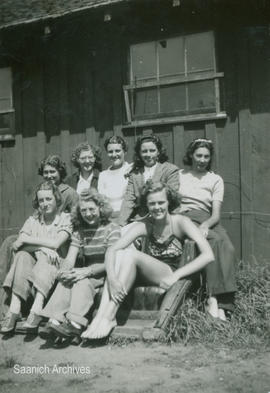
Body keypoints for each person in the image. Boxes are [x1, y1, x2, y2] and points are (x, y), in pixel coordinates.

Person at [81, 181, 214, 340]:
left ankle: (109, 316)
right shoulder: (144, 225)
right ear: (146, 205)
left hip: (169, 273)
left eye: (161, 202)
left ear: (169, 202)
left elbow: (208, 255)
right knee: (121, 253)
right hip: (150, 273)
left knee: (129, 254)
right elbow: (111, 250)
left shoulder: (180, 222)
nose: (157, 207)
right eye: (152, 204)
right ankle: (100, 317)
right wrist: (113, 279)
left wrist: (176, 275)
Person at [40, 189, 121, 339]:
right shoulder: (80, 231)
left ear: (101, 208)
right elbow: (70, 258)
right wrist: (65, 271)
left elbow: (112, 262)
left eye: (92, 209)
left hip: (105, 272)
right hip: (88, 272)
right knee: (66, 280)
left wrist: (86, 271)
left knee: (81, 281)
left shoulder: (112, 229)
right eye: (83, 210)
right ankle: (54, 321)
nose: (88, 214)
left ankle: (76, 324)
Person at [0, 181, 72, 334]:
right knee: (22, 255)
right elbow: (18, 245)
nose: (45, 204)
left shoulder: (66, 218)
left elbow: (56, 243)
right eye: (41, 200)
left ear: (56, 199)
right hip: (33, 273)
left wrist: (29, 241)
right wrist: (43, 248)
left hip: (56, 273)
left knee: (49, 258)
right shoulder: (33, 220)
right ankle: (14, 308)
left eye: (48, 199)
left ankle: (37, 309)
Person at [178, 138, 237, 321]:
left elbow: (216, 214)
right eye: (198, 155)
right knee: (214, 241)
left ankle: (223, 306)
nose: (202, 160)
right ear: (191, 155)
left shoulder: (215, 179)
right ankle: (212, 300)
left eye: (206, 156)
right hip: (186, 217)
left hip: (207, 219)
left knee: (228, 248)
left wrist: (205, 225)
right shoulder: (180, 175)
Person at [0, 155, 78, 288]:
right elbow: (36, 218)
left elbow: (75, 219)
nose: (49, 175)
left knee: (20, 243)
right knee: (10, 241)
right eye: (46, 172)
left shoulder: (69, 192)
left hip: (61, 235)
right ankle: (4, 282)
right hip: (42, 233)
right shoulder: (42, 190)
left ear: (60, 172)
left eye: (52, 172)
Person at [118, 135, 179, 226]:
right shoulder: (135, 174)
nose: (148, 155)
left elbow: (172, 197)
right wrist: (120, 224)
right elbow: (128, 200)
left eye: (152, 150)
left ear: (158, 152)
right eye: (144, 151)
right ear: (139, 153)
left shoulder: (170, 170)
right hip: (142, 218)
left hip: (165, 216)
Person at [98, 135, 131, 220]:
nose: (114, 154)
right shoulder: (103, 175)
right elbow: (102, 201)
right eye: (110, 152)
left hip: (128, 217)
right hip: (108, 218)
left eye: (117, 151)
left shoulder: (131, 170)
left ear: (125, 152)